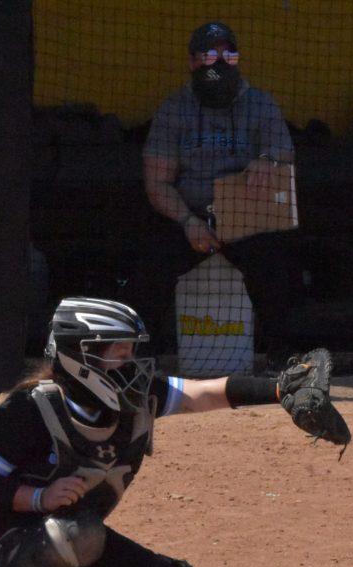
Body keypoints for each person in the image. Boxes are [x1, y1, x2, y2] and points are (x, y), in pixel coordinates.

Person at [0, 297, 344, 567]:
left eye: (130, 351)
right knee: (77, 533)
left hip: (78, 539)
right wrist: (39, 497)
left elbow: (204, 392)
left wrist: (277, 390)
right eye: (117, 353)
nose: (130, 364)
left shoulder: (135, 398)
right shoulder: (29, 409)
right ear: (79, 357)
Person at [125, 21, 302, 360]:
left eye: (228, 55)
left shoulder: (260, 104)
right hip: (188, 214)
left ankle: (283, 358)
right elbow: (156, 181)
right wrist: (187, 221)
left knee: (276, 265)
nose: (219, 63)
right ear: (193, 62)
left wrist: (268, 160)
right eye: (210, 55)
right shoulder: (174, 108)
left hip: (243, 213)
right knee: (149, 267)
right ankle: (142, 357)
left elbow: (284, 153)